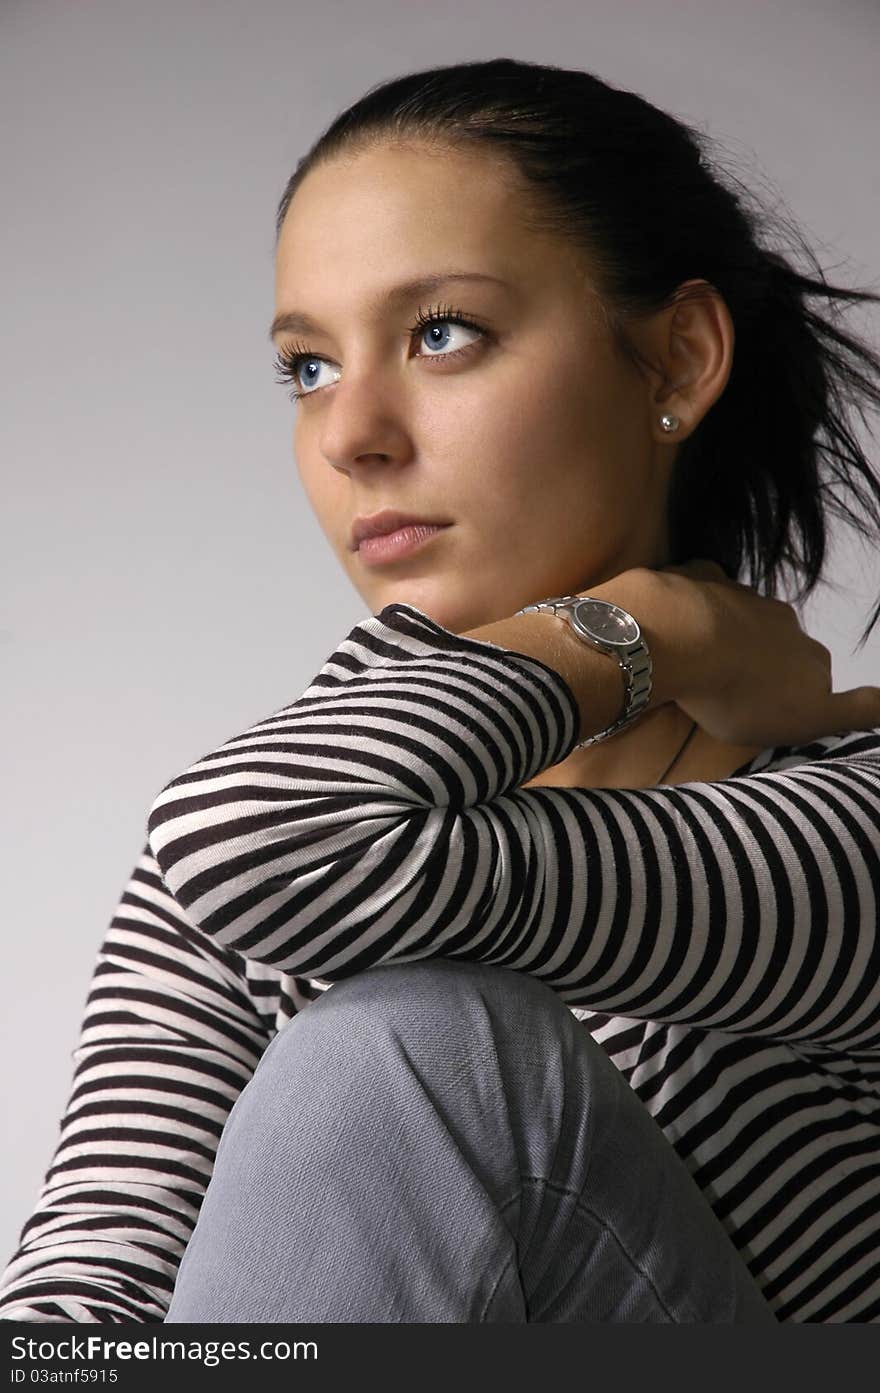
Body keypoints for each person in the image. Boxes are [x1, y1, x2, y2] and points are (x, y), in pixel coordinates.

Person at [2, 56, 880, 1325]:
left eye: (440, 333)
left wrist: (628, 625)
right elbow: (78, 1324)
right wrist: (656, 625)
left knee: (414, 1043)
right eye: (306, 367)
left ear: (678, 361)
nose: (351, 432)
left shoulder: (848, 807)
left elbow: (273, 843)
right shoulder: (215, 887)